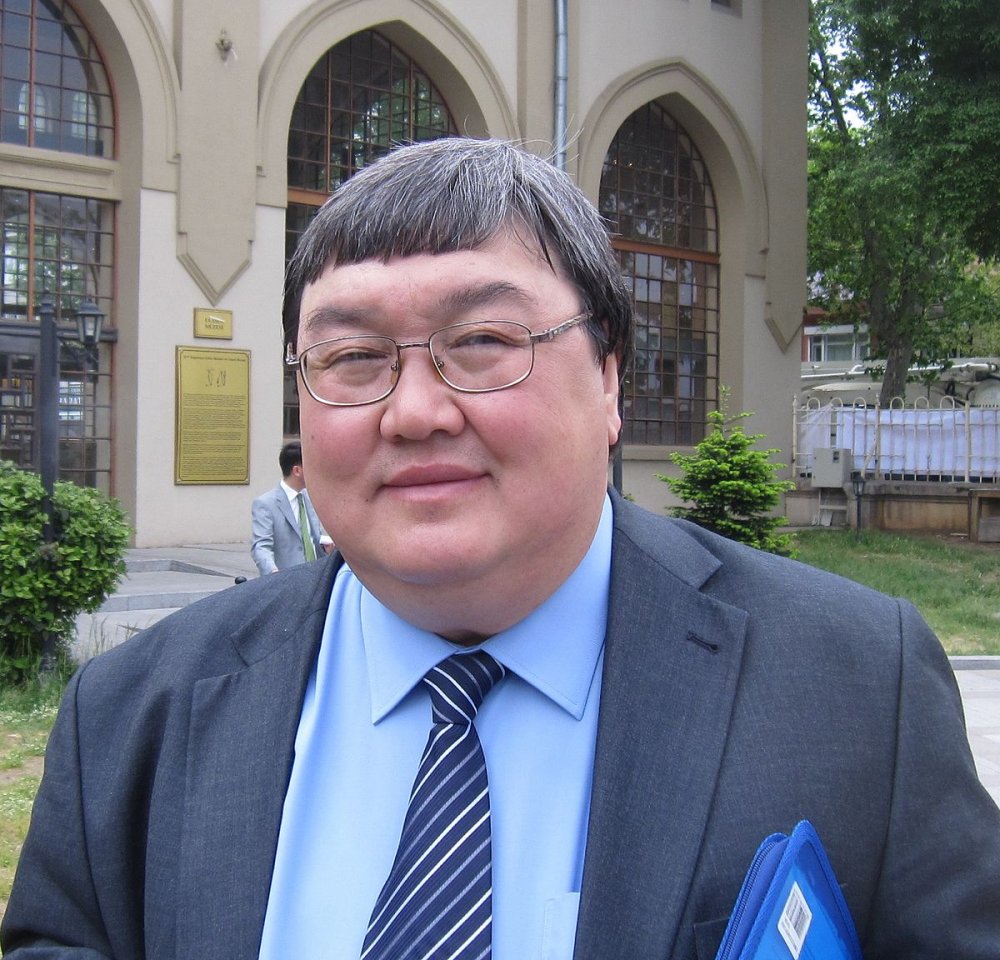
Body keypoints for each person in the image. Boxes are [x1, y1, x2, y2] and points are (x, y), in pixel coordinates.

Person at [3, 138, 998, 960]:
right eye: (352, 357)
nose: (414, 411)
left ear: (608, 380)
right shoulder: (128, 720)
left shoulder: (855, 688)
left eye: (481, 342)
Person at [250, 440, 330, 575]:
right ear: (297, 471)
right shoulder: (266, 504)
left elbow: (310, 537)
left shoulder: (310, 497)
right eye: (311, 466)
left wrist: (325, 547)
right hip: (287, 578)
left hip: (316, 577)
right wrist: (273, 572)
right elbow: (261, 546)